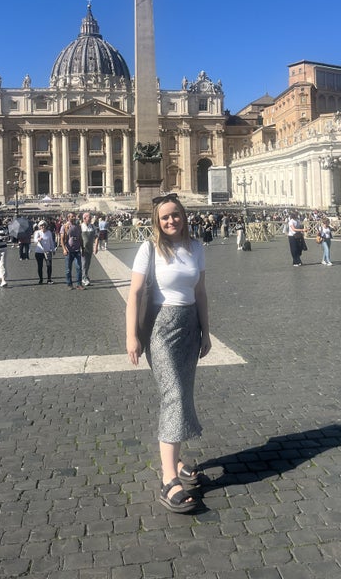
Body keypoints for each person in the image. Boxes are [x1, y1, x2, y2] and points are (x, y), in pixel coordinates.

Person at [126, 194, 211, 514]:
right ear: (157, 222)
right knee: (173, 394)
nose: (171, 221)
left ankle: (174, 460)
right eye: (165, 217)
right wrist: (131, 336)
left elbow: (200, 292)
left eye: (175, 215)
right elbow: (135, 293)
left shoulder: (196, 248)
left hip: (189, 325)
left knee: (183, 394)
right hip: (160, 328)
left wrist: (206, 330)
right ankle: (168, 478)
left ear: (184, 216)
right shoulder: (148, 249)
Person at [60, 212, 83, 289]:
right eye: (72, 216)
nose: (74, 218)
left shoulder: (78, 226)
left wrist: (82, 248)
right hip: (68, 250)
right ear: (68, 217)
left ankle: (79, 284)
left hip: (77, 250)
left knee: (79, 268)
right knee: (68, 269)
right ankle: (69, 284)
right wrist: (64, 249)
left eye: (74, 216)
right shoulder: (64, 226)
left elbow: (80, 238)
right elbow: (62, 239)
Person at [80, 212, 98, 286]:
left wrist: (96, 246)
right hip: (83, 248)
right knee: (84, 263)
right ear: (84, 218)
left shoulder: (93, 226)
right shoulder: (80, 226)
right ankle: (84, 278)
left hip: (90, 247)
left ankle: (85, 275)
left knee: (88, 263)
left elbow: (96, 236)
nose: (90, 219)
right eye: (89, 218)